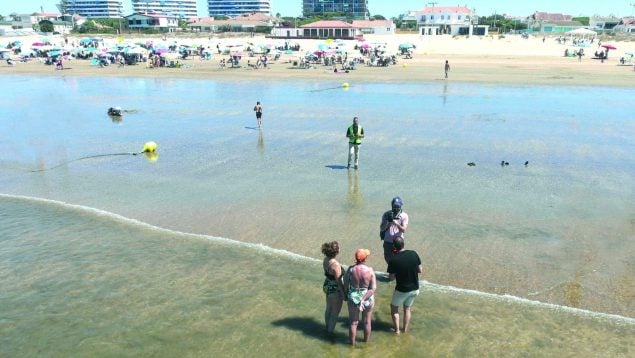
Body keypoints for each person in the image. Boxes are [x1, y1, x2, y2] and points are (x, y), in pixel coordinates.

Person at [387, 237, 422, 334]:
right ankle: (404, 330)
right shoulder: (413, 253)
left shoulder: (394, 260)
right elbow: (420, 270)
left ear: (394, 246)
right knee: (407, 308)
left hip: (402, 290)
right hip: (415, 288)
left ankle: (397, 330)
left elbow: (391, 278)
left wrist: (398, 270)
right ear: (403, 244)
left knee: (394, 308)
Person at [343, 249, 376, 346]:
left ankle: (352, 344)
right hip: (367, 297)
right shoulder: (370, 270)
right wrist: (363, 299)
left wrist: (345, 295)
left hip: (353, 297)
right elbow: (373, 288)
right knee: (366, 322)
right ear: (365, 259)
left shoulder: (351, 269)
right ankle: (366, 343)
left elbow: (345, 284)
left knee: (353, 322)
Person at [321, 241, 345, 334]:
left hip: (328, 285)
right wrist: (343, 294)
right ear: (336, 252)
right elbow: (339, 281)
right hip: (335, 289)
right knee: (335, 312)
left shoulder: (326, 259)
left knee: (328, 308)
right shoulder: (335, 265)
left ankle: (327, 327)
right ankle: (329, 333)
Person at [380, 197, 409, 265]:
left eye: (397, 207)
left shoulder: (404, 216)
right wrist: (389, 222)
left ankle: (398, 273)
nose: (396, 208)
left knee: (400, 260)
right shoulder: (386, 214)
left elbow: (403, 230)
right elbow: (382, 228)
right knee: (388, 259)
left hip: (399, 242)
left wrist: (396, 223)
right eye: (394, 206)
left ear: (401, 206)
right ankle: (392, 272)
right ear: (392, 206)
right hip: (387, 242)